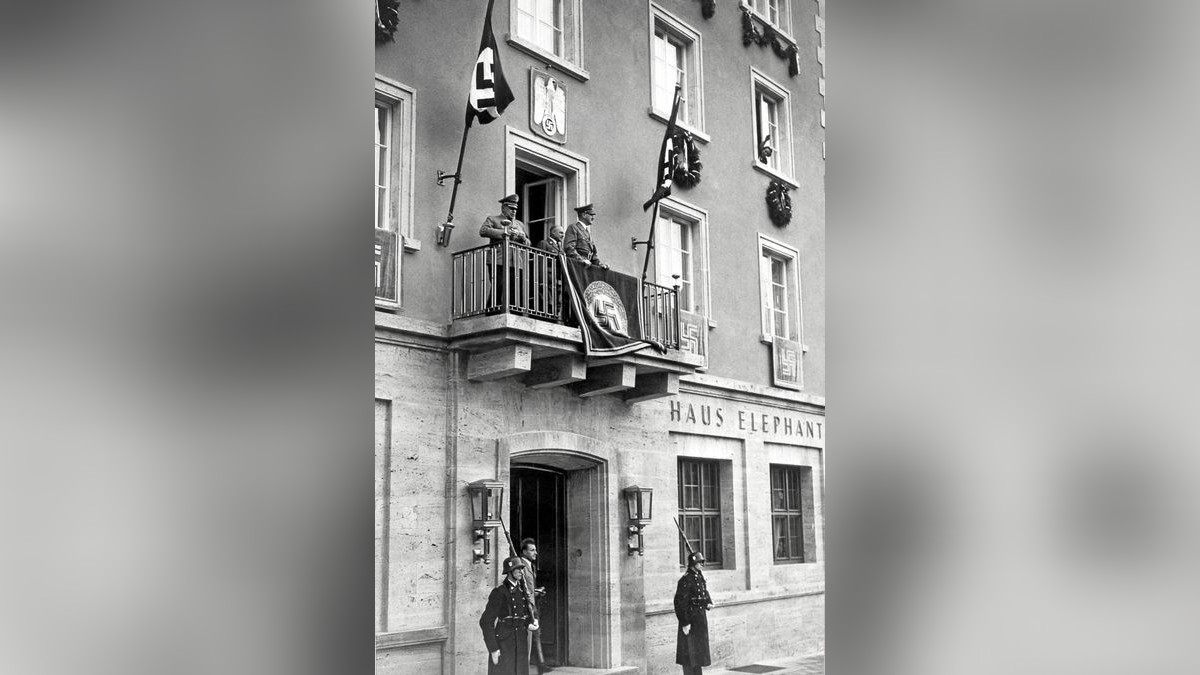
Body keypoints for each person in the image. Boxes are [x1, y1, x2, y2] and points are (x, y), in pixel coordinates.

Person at [480, 556, 539, 675]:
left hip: (520, 641)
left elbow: (523, 615)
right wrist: (493, 649)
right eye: (518, 569)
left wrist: (529, 624)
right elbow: (486, 621)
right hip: (504, 642)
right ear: (509, 571)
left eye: (522, 569)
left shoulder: (522, 592)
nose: (521, 572)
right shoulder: (500, 592)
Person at [479, 194, 531, 311]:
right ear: (504, 208)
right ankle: (492, 312)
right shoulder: (493, 219)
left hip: (516, 262)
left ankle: (514, 313)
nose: (514, 211)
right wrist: (504, 232)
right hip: (498, 260)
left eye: (515, 209)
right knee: (499, 287)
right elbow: (483, 230)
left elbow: (528, 243)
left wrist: (522, 238)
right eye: (511, 208)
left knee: (515, 289)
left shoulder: (519, 224)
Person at [674, 551, 714, 675]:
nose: (702, 564)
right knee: (689, 654)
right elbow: (680, 603)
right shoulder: (685, 580)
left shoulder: (699, 576)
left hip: (700, 618)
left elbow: (704, 592)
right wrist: (685, 622)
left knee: (698, 654)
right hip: (690, 620)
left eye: (702, 562)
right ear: (693, 563)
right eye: (699, 562)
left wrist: (708, 602)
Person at [518, 538, 551, 674]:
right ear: (524, 552)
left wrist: (536, 592)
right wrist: (533, 593)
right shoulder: (520, 566)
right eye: (532, 550)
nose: (535, 553)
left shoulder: (529, 565)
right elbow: (520, 587)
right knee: (527, 638)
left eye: (535, 550)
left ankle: (541, 664)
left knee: (536, 634)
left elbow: (528, 587)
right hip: (526, 608)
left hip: (532, 605)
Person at [563, 203, 607, 268]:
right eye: (591, 215)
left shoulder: (588, 233)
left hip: (586, 267)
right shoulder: (573, 227)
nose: (593, 218)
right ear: (584, 215)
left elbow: (593, 256)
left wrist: (600, 264)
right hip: (577, 266)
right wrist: (581, 260)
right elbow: (569, 248)